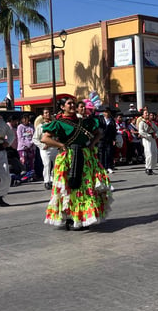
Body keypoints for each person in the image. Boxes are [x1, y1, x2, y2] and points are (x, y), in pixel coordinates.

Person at [41, 97, 112, 229]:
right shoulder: (58, 123)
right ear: (62, 107)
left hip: (84, 157)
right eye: (69, 104)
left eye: (74, 103)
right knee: (69, 187)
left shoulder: (83, 121)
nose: (72, 105)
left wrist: (91, 144)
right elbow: (45, 138)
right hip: (67, 158)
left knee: (84, 188)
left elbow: (98, 133)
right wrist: (60, 145)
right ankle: (69, 217)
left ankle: (82, 217)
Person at [32, 108, 58, 190]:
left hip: (54, 147)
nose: (48, 114)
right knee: (47, 164)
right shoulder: (40, 127)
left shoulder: (55, 125)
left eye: (49, 112)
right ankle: (46, 181)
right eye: (46, 113)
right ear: (43, 115)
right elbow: (35, 139)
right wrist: (42, 145)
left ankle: (53, 179)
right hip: (45, 149)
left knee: (55, 164)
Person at [138, 109, 158, 175]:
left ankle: (151, 168)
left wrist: (156, 134)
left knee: (154, 152)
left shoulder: (151, 122)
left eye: (148, 113)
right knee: (149, 153)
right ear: (143, 115)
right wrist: (148, 136)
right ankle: (148, 168)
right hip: (146, 139)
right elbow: (141, 131)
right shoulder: (141, 123)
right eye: (145, 113)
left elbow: (157, 129)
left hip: (153, 138)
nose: (147, 114)